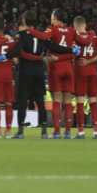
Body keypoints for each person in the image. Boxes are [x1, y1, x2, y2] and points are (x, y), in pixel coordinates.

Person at [0, 10, 79, 139]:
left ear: (24, 21)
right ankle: (44, 131)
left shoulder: (22, 34)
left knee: (23, 101)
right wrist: (71, 49)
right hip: (39, 71)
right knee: (40, 102)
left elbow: (17, 50)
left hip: (26, 71)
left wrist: (2, 57)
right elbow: (54, 47)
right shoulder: (41, 35)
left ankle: (21, 131)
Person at [29, 9, 77, 139]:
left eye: (51, 16)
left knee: (56, 100)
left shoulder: (52, 29)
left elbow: (44, 37)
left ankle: (56, 132)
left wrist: (30, 30)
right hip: (68, 68)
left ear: (55, 18)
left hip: (56, 68)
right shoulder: (72, 31)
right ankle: (67, 133)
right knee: (67, 101)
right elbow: (75, 51)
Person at [73, 16, 97, 139]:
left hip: (79, 72)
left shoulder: (74, 37)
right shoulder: (95, 38)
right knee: (93, 103)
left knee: (80, 102)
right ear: (85, 24)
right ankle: (96, 131)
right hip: (92, 73)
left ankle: (81, 132)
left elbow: (72, 52)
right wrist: (90, 61)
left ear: (75, 26)